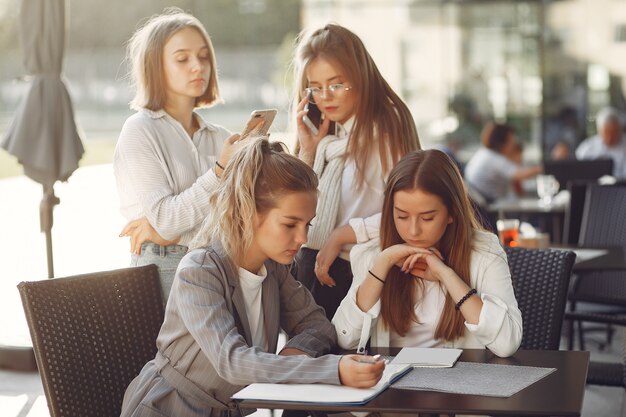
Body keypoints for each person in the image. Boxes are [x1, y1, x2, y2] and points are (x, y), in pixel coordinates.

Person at [120, 139, 385, 417]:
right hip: (170, 410)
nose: (303, 238)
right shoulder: (198, 272)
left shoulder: (274, 269)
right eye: (290, 224)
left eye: (307, 224)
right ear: (248, 212)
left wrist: (292, 356)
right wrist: (333, 370)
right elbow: (232, 362)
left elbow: (318, 327)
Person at [113, 9, 251, 303]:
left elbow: (236, 221)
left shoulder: (219, 136)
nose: (197, 66)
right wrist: (219, 171)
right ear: (155, 66)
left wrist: (178, 235)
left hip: (219, 269)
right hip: (162, 271)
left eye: (203, 57)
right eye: (182, 58)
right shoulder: (139, 130)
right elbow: (165, 219)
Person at [333, 149, 522, 357]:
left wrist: (447, 275)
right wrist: (382, 264)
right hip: (393, 384)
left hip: (459, 384)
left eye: (427, 218)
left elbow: (507, 344)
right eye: (402, 216)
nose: (413, 231)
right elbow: (344, 337)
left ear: (452, 213)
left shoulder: (484, 254)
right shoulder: (374, 255)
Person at [292, 23, 421, 320]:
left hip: (362, 271)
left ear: (359, 77)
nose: (325, 97)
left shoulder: (386, 127)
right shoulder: (332, 135)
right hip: (317, 268)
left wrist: (340, 235)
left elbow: (408, 212)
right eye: (315, 88)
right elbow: (298, 206)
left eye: (337, 84)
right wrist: (310, 150)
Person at [464, 122, 542, 202]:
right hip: (488, 208)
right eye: (511, 142)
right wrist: (544, 168)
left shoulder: (484, 154)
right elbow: (520, 175)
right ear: (501, 142)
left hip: (482, 204)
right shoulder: (494, 158)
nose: (513, 145)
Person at [576, 106, 626, 178]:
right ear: (599, 130)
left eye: (613, 134)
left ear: (619, 130)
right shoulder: (588, 147)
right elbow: (578, 169)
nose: (609, 139)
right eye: (606, 134)